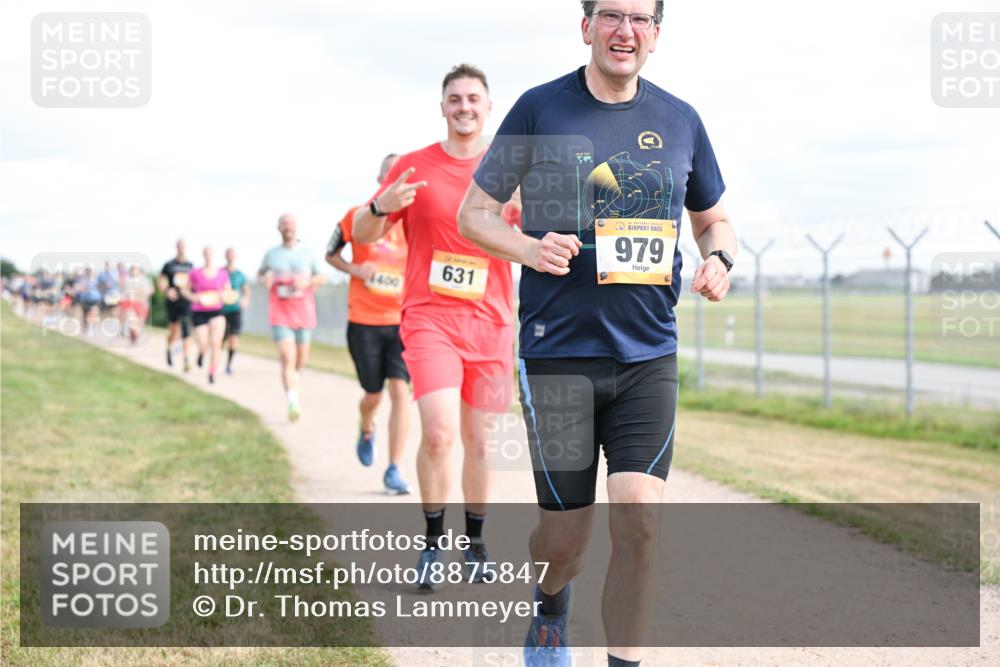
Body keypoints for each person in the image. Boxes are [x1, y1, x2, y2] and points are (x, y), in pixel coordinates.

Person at [457, 2, 737, 665]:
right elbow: (475, 215)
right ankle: (551, 599)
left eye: (640, 19)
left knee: (640, 516)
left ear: (657, 36)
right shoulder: (538, 109)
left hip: (648, 355)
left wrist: (719, 258)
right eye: (611, 14)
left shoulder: (680, 119)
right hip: (559, 357)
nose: (625, 30)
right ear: (586, 27)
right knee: (564, 545)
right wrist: (527, 248)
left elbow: (714, 219)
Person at [353, 64, 520, 587]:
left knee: (481, 441)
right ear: (443, 107)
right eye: (455, 99)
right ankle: (431, 543)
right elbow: (363, 229)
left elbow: (544, 235)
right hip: (430, 318)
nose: (464, 106)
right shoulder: (413, 166)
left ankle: (475, 541)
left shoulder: (511, 171)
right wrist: (381, 204)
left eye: (474, 98)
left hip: (491, 322)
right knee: (440, 433)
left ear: (488, 107)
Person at [326, 153, 412, 495]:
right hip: (363, 320)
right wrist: (355, 270)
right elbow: (330, 254)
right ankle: (366, 425)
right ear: (380, 179)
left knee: (400, 391)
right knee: (373, 395)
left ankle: (393, 468)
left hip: (402, 319)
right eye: (388, 175)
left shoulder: (411, 220)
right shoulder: (355, 216)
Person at [259, 213, 326, 421]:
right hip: (280, 311)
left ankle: (293, 383)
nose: (288, 227)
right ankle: (293, 402)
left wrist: (306, 283)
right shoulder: (271, 254)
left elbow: (321, 276)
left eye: (291, 224)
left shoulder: (307, 253)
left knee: (300, 360)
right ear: (278, 228)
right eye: (284, 224)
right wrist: (266, 278)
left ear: (296, 228)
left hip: (304, 312)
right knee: (287, 357)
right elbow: (261, 274)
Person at [181, 247, 229, 384]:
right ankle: (201, 353)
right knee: (203, 343)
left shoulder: (222, 273)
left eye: (210, 253)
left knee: (216, 343)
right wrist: (194, 297)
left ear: (213, 255)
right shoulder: (195, 273)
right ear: (203, 255)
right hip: (200, 311)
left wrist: (223, 296)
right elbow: (185, 290)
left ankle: (212, 372)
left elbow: (227, 291)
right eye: (206, 254)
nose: (208, 256)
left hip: (217, 310)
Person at [159, 239, 194, 371]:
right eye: (179, 246)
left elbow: (194, 283)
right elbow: (161, 281)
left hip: (185, 301)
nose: (181, 248)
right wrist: (167, 291)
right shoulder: (169, 265)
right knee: (173, 329)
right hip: (173, 301)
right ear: (176, 247)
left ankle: (186, 360)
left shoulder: (190, 265)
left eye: (183, 246)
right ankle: (168, 348)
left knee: (186, 329)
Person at [221, 247, 250, 375]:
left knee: (234, 336)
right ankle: (216, 359)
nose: (230, 257)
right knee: (221, 337)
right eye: (228, 254)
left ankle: (229, 364)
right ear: (225, 256)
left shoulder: (240, 275)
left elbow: (246, 291)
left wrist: (245, 299)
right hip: (221, 309)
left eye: (232, 254)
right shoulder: (220, 272)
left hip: (235, 309)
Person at [120, 264, 153, 344]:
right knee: (132, 321)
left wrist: (143, 294)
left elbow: (151, 290)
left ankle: (134, 336)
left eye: (136, 269)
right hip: (130, 304)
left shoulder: (144, 280)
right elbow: (124, 292)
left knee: (139, 323)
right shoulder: (127, 280)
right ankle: (131, 333)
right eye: (133, 269)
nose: (134, 271)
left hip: (141, 304)